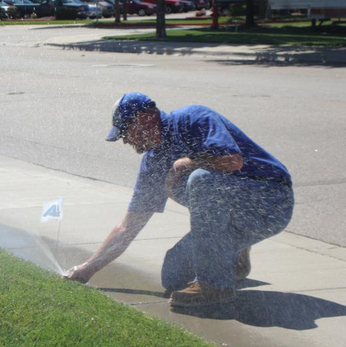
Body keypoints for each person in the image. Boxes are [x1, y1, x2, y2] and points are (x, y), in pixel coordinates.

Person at [66, 92, 294, 307]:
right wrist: (87, 269)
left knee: (201, 179)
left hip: (271, 202)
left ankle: (215, 286)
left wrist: (189, 163)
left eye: (126, 131)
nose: (125, 140)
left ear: (146, 118)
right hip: (232, 219)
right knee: (173, 277)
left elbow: (233, 161)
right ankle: (233, 256)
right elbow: (127, 227)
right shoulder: (153, 162)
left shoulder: (193, 118)